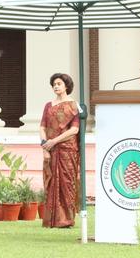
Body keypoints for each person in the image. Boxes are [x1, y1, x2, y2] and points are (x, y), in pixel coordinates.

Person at [40, 73, 80, 228]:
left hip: (67, 150)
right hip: (50, 149)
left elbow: (74, 130)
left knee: (67, 183)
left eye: (59, 84)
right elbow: (42, 127)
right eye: (54, 84)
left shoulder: (73, 106)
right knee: (51, 183)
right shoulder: (48, 105)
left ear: (66, 86)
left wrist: (54, 141)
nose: (56, 86)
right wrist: (45, 146)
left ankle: (66, 220)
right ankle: (52, 220)